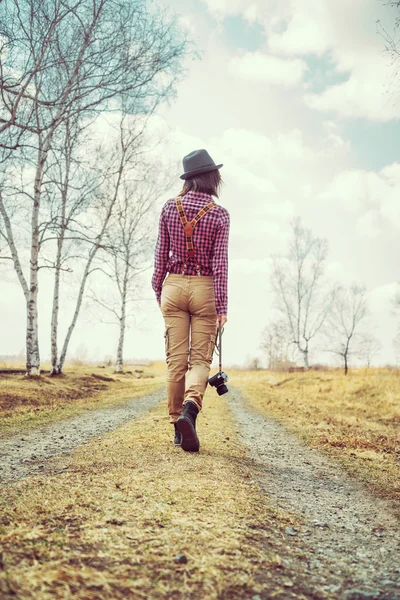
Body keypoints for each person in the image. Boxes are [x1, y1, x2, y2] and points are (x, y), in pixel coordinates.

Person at [151, 149, 230, 452]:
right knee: (199, 361)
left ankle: (177, 429)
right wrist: (222, 308)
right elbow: (220, 264)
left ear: (189, 178)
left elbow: (160, 256)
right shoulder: (220, 214)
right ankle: (189, 411)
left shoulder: (170, 208)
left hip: (173, 285)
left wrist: (161, 291)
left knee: (175, 362)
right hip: (205, 288)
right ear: (212, 177)